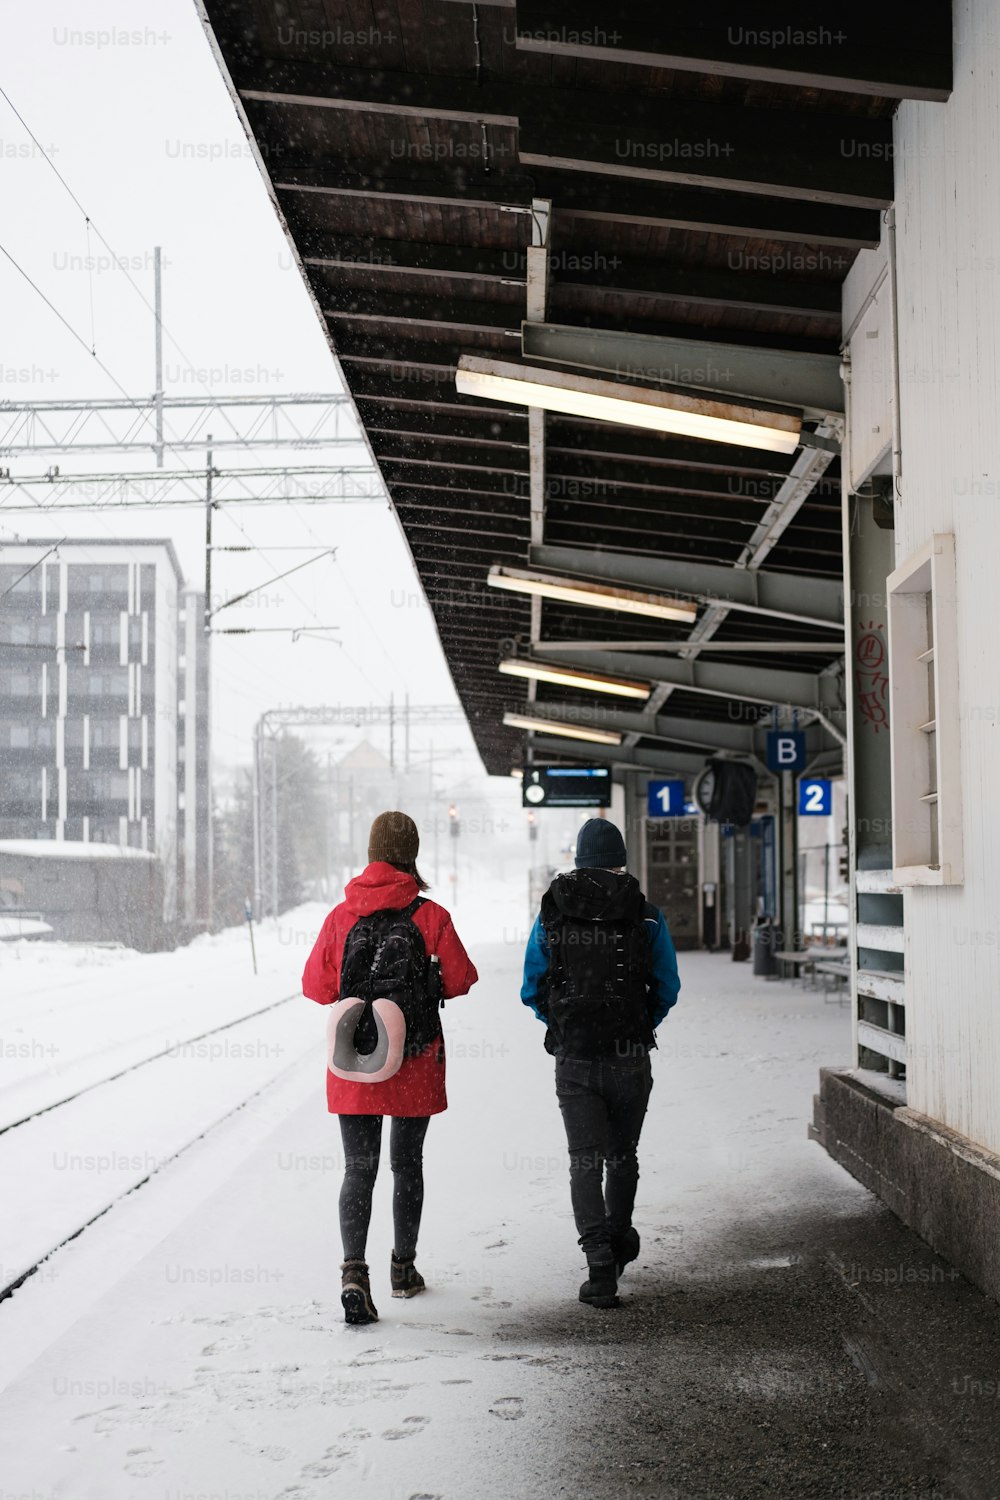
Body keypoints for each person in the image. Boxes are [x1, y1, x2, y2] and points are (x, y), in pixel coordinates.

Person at [302, 810, 478, 1326]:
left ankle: (354, 1273)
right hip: (414, 1059)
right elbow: (462, 978)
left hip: (354, 1061)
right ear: (411, 855)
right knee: (407, 1164)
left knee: (359, 1168)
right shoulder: (430, 916)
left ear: (372, 853)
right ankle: (404, 1269)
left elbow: (315, 986)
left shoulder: (341, 917)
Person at [520, 817, 680, 1309]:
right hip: (630, 1057)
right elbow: (668, 987)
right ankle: (618, 1237)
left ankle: (599, 1266)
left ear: (578, 861)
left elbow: (531, 987)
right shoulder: (646, 914)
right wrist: (636, 1024)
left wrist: (566, 1024)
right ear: (621, 860)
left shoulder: (552, 914)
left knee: (584, 1161)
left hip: (575, 1059)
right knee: (622, 1155)